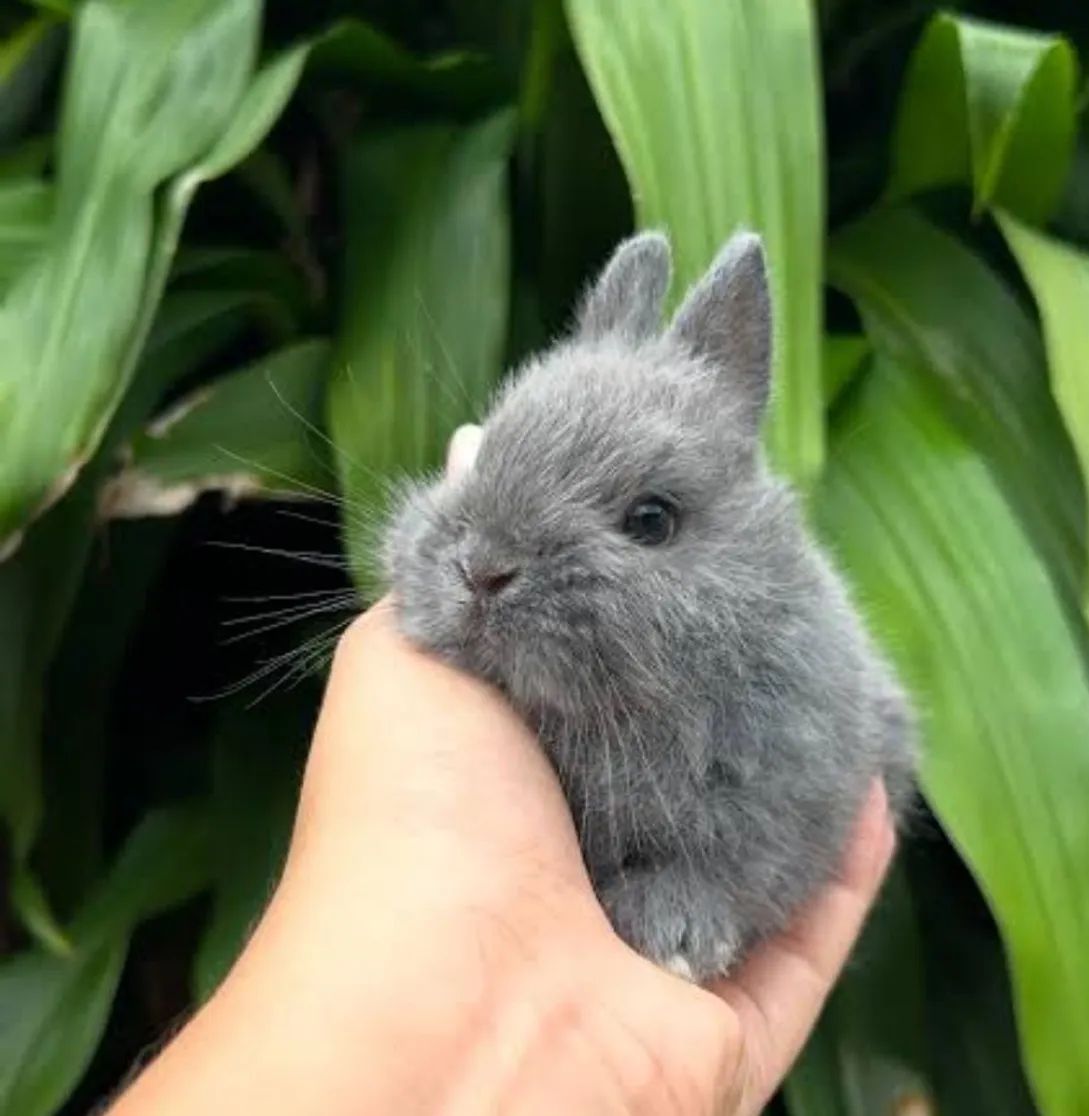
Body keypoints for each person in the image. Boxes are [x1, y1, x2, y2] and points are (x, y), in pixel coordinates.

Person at [109, 428, 897, 1116]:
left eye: (645, 522)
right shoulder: (462, 658)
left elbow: (815, 796)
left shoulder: (793, 681)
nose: (488, 568)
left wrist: (708, 887)